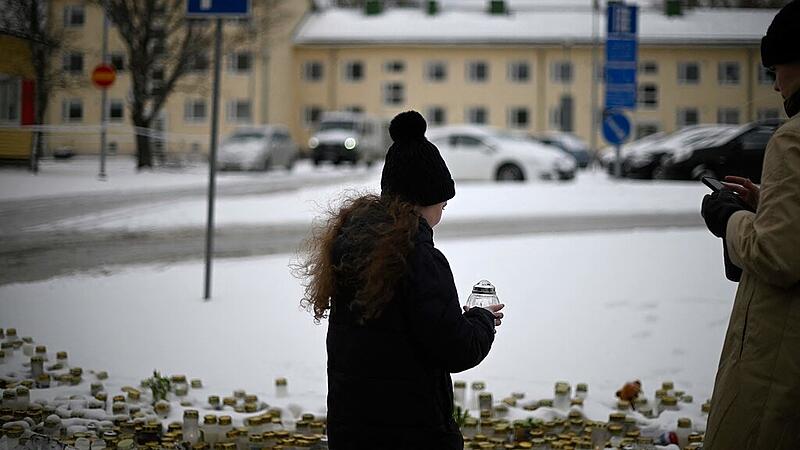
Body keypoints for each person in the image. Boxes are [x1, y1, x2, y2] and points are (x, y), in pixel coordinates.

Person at [296, 110, 505, 450]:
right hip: (411, 431)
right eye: (443, 202)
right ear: (427, 200)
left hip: (352, 429)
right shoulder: (419, 258)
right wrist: (482, 319)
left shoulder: (353, 243)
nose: (444, 210)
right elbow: (455, 349)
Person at [700, 1, 800, 447]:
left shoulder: (793, 138)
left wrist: (730, 217)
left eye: (778, 68)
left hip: (782, 355)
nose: (776, 85)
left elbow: (777, 256)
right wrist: (768, 205)